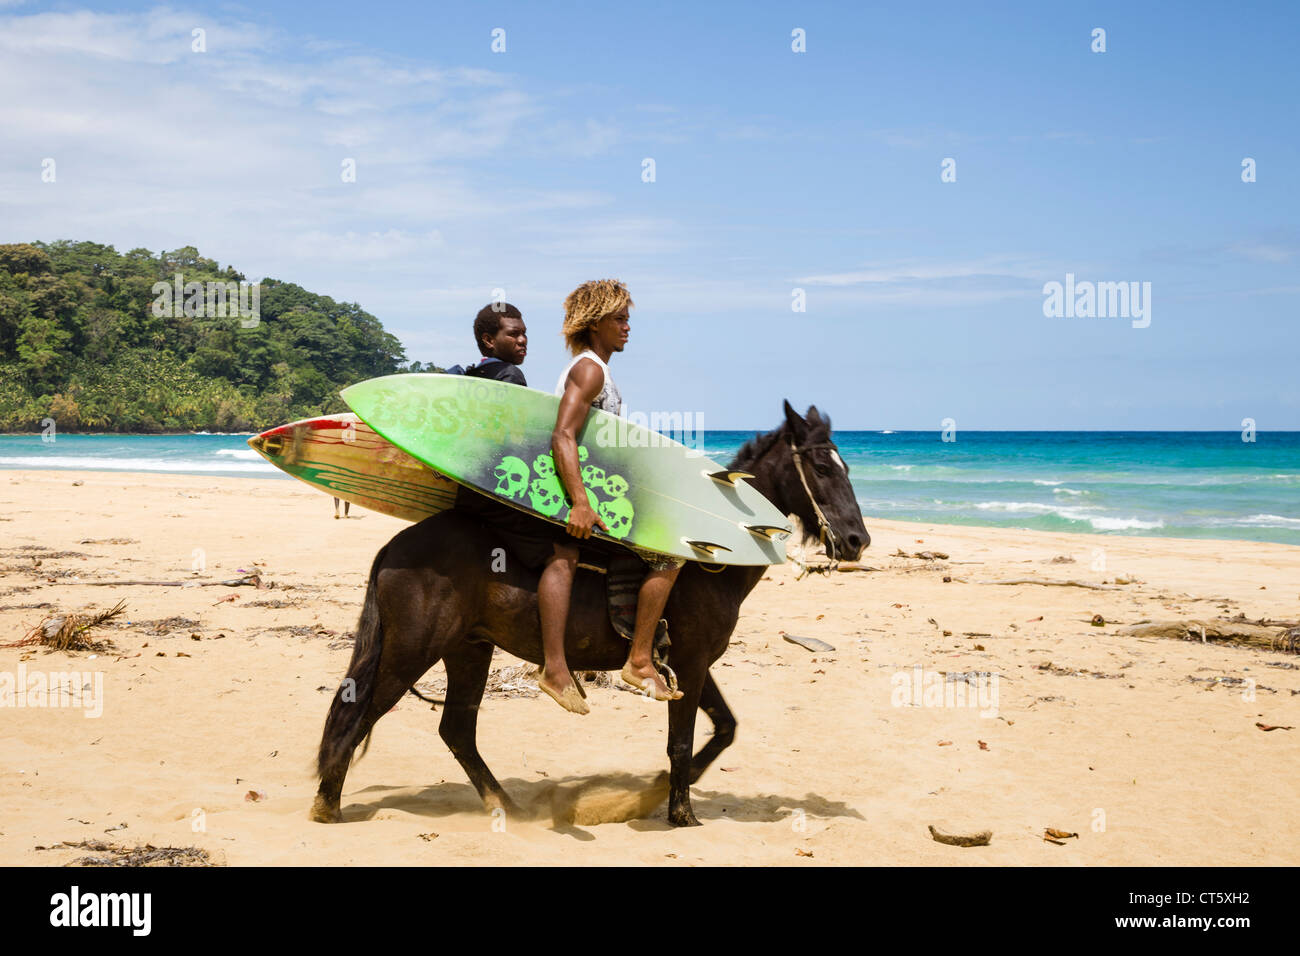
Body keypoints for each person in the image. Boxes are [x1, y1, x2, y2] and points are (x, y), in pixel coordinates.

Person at [536, 279, 685, 711]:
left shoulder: (596, 369)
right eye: (619, 319)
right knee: (670, 554)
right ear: (595, 322)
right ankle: (638, 660)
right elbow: (563, 434)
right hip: (581, 497)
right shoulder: (590, 369)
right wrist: (580, 502)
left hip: (595, 491)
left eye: (627, 319)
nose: (627, 327)